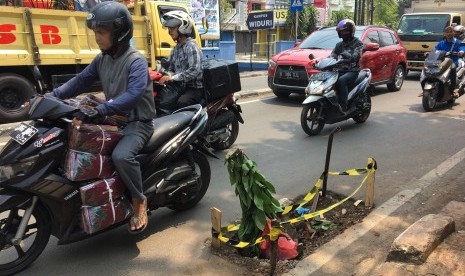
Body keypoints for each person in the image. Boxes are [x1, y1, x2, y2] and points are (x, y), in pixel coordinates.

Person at [49, 1, 155, 234]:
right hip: (114, 119)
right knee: (77, 142)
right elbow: (80, 81)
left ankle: (139, 200)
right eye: (95, 31)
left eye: (102, 32)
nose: (97, 37)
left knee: (121, 156)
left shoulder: (135, 60)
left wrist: (103, 108)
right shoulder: (102, 59)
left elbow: (134, 94)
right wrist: (51, 97)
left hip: (137, 123)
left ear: (119, 32)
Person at [157, 10, 203, 113]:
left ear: (183, 27)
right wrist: (163, 74)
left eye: (172, 28)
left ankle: (192, 128)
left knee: (182, 102)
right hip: (180, 86)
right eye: (169, 28)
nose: (169, 32)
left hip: (194, 88)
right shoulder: (177, 48)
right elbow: (170, 68)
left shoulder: (191, 47)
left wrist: (173, 77)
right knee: (161, 99)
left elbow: (194, 70)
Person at [330, 19, 364, 113]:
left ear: (351, 31)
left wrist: (348, 55)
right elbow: (332, 55)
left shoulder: (358, 43)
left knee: (341, 81)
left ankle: (343, 106)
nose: (343, 33)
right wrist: (320, 62)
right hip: (339, 70)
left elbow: (357, 55)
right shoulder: (339, 45)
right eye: (342, 31)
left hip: (352, 71)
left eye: (345, 31)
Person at [435, 25, 465, 96]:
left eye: (450, 32)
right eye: (447, 32)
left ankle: (453, 88)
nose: (448, 33)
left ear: (453, 33)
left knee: (452, 67)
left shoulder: (458, 42)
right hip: (442, 62)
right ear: (444, 33)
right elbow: (436, 50)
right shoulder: (441, 43)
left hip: (453, 61)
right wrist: (430, 52)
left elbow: (462, 48)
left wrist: (461, 52)